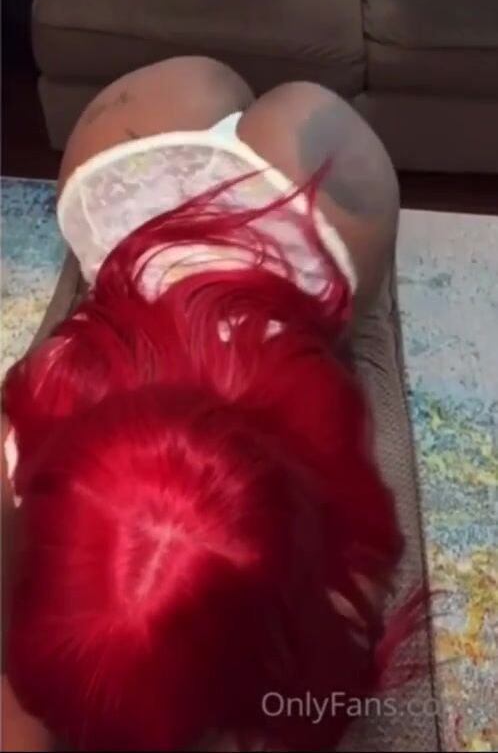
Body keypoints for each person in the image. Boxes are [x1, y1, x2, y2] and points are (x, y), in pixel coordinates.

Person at [2, 57, 408, 752]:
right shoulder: (22, 444)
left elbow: (319, 697)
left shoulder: (339, 575)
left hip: (289, 226)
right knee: (246, 100)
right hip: (158, 186)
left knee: (269, 111)